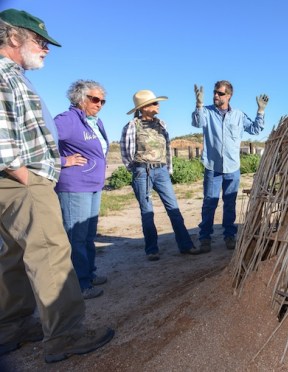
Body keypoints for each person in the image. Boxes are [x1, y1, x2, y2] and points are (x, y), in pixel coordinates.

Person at [0, 9, 114, 363]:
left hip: (19, 180)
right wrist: (20, 170)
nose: (46, 48)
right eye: (40, 40)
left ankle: (11, 326)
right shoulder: (3, 75)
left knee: (15, 255)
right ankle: (65, 335)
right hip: (21, 181)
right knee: (51, 252)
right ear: (14, 37)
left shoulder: (14, 76)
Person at [121, 90, 200, 261]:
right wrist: (137, 170)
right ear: (144, 108)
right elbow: (126, 154)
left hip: (162, 171)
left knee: (174, 209)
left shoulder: (162, 124)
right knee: (147, 212)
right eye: (154, 103)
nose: (158, 106)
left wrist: (168, 169)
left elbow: (167, 149)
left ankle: (185, 245)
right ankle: (151, 249)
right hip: (143, 172)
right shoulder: (132, 126)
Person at [191, 80, 268, 251]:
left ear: (229, 95)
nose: (216, 95)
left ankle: (229, 236)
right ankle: (205, 238)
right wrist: (199, 103)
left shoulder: (238, 115)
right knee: (209, 203)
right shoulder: (207, 112)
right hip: (213, 166)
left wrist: (261, 111)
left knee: (230, 202)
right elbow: (197, 122)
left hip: (232, 168)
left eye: (220, 93)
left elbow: (255, 129)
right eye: (215, 92)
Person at [54, 80, 109, 300]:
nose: (99, 104)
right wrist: (62, 161)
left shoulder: (95, 121)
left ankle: (89, 274)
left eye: (102, 101)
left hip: (93, 185)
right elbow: (40, 143)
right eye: (95, 99)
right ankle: (80, 284)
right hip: (74, 186)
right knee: (76, 236)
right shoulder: (67, 120)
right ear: (80, 98)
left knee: (87, 234)